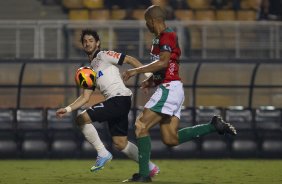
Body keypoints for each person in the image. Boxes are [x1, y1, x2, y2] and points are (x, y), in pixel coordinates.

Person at [122, 5, 237, 182]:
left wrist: (134, 72)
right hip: (170, 87)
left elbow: (163, 62)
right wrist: (151, 80)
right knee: (170, 138)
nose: (147, 26)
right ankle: (213, 126)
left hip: (169, 89)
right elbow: (168, 66)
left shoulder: (168, 35)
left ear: (153, 21)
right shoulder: (157, 40)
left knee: (140, 126)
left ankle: (144, 174)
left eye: (147, 22)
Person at [56, 29, 160, 176]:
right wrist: (66, 109)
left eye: (91, 40)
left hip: (119, 98)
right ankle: (150, 167)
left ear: (97, 43)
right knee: (120, 143)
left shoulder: (103, 55)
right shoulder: (89, 70)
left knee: (82, 119)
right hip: (117, 102)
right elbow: (85, 97)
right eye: (85, 41)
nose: (87, 43)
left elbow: (130, 59)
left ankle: (102, 153)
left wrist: (149, 76)